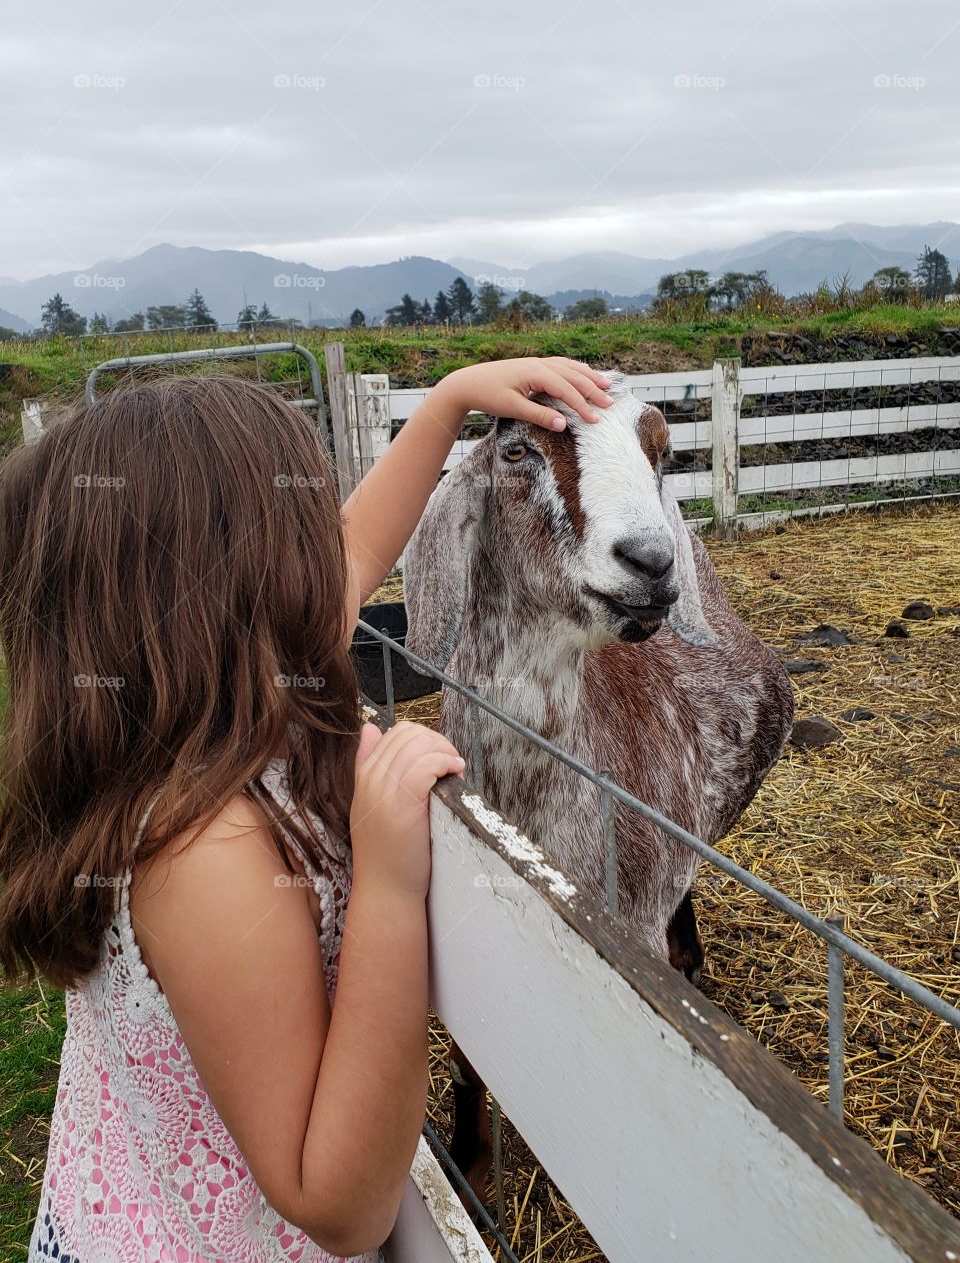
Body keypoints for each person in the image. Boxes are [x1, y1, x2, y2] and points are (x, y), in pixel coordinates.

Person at [0, 357, 613, 1262]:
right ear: (234, 599)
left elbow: (361, 547)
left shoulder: (201, 723)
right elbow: (335, 1202)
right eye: (301, 538)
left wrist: (447, 404)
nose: (339, 557)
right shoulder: (206, 853)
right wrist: (391, 888)